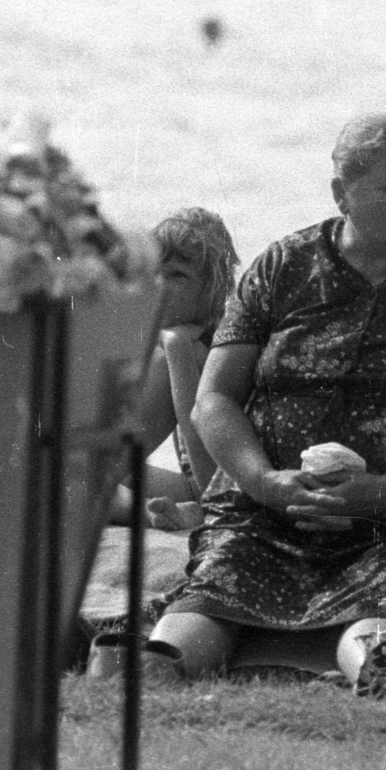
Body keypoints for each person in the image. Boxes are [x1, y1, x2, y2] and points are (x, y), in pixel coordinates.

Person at [145, 114, 386, 681]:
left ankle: (384, 677)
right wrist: (264, 483)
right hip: (266, 513)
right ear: (342, 194)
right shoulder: (282, 266)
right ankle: (145, 679)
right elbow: (214, 399)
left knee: (379, 627)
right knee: (192, 620)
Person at [108, 208, 240, 532]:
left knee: (79, 482)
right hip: (197, 487)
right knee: (89, 476)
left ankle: (148, 514)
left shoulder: (202, 349)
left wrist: (177, 353)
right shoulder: (187, 337)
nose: (159, 284)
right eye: (155, 271)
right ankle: (175, 511)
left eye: (177, 275)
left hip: (220, 488)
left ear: (215, 288)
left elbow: (211, 472)